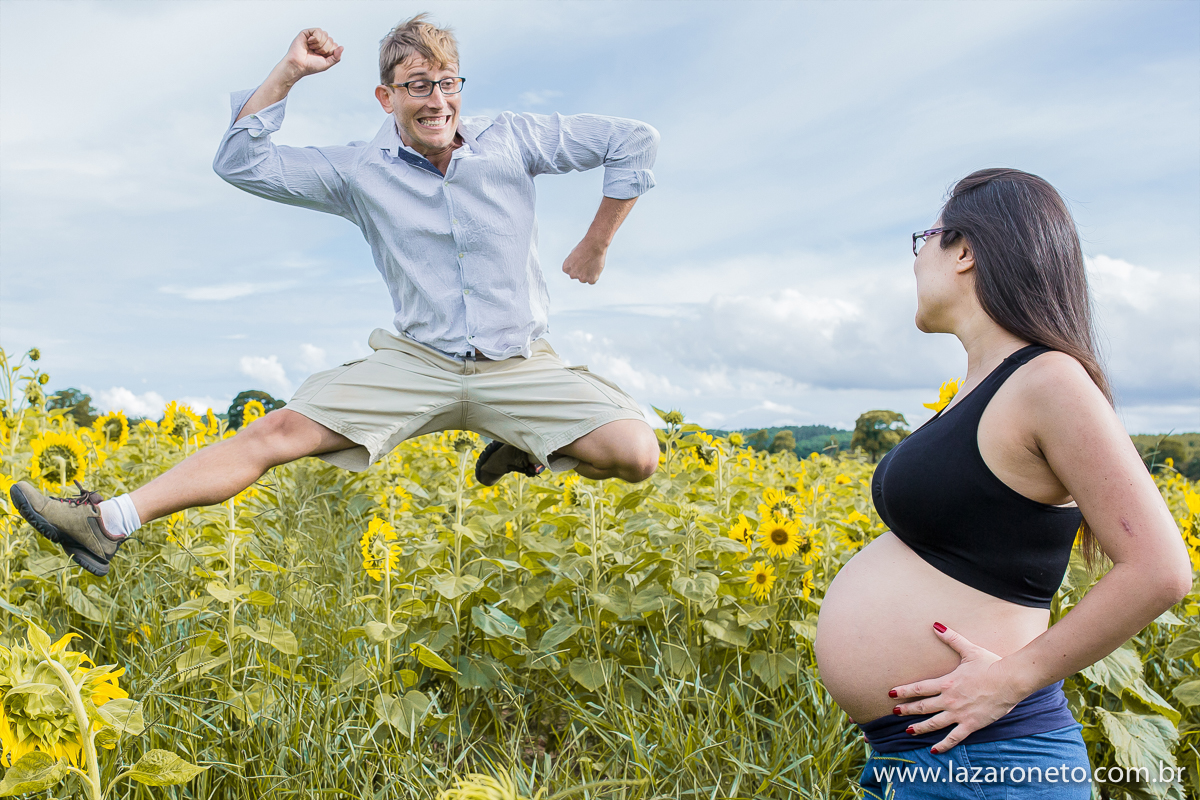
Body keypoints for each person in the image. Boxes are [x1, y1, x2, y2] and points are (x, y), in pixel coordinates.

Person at [10, 15, 661, 578]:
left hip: (518, 363)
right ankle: (105, 522)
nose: (437, 100)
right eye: (417, 85)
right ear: (386, 97)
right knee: (276, 431)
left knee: (638, 456)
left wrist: (596, 242)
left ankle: (529, 444)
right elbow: (240, 163)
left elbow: (633, 141)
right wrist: (291, 71)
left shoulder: (513, 139)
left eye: (448, 83)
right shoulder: (357, 171)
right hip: (419, 363)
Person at [813, 169, 1192, 798]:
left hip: (992, 760)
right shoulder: (984, 389)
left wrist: (1010, 680)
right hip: (927, 758)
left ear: (963, 249)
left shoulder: (1048, 380)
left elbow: (1161, 570)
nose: (915, 263)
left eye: (923, 241)